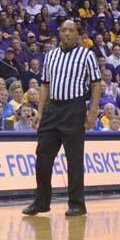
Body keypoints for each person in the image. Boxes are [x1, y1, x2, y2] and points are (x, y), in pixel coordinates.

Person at [22, 21, 102, 219]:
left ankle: (77, 204)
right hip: (52, 109)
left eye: (71, 31)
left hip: (74, 108)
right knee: (42, 157)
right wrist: (40, 111)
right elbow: (45, 85)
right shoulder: (50, 56)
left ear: (78, 35)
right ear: (59, 33)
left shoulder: (87, 55)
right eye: (63, 30)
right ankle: (41, 202)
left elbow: (96, 85)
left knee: (74, 159)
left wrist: (92, 111)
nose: (67, 34)